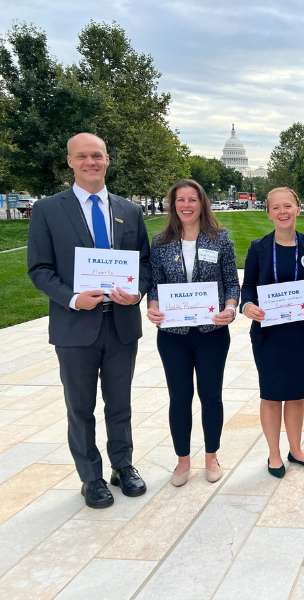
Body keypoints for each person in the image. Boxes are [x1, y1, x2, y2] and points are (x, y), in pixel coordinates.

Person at [27, 132, 151, 508]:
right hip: (74, 326)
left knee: (120, 403)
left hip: (121, 324)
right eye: (82, 156)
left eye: (97, 155)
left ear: (107, 159)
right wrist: (72, 298)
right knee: (79, 407)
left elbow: (144, 262)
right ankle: (90, 477)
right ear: (70, 161)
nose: (90, 162)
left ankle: (123, 466)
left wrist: (139, 290)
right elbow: (40, 268)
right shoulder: (49, 210)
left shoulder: (129, 210)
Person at [146, 179, 239, 486]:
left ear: (202, 204)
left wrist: (230, 307)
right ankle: (182, 460)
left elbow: (231, 282)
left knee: (211, 396)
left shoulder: (220, 239)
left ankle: (211, 456)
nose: (186, 205)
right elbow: (154, 285)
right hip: (174, 335)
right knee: (179, 397)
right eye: (180, 200)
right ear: (173, 205)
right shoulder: (160, 243)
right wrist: (154, 305)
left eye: (192, 200)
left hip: (212, 331)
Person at [242, 187, 304, 478]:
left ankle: (296, 449)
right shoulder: (259, 248)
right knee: (271, 394)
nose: (282, 212)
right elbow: (248, 287)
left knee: (295, 394)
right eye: (275, 207)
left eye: (287, 205)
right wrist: (247, 306)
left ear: (298, 208)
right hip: (268, 334)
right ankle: (274, 454)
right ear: (268, 213)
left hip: (302, 332)